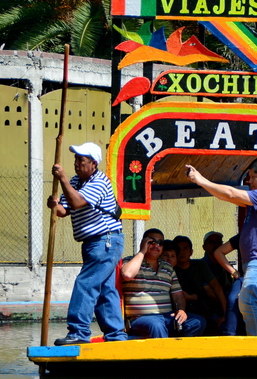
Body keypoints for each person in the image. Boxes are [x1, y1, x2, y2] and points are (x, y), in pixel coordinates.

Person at [187, 158, 257, 337]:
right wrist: (202, 183)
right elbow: (225, 195)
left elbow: (231, 193)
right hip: (256, 263)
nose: (250, 181)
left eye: (253, 177)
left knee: (246, 300)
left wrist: (201, 180)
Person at [46, 142, 127, 345]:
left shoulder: (99, 181)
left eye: (81, 159)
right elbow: (65, 210)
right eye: (75, 159)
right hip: (93, 243)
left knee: (86, 283)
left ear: (93, 163)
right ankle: (116, 335)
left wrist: (62, 178)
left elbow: (78, 203)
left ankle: (78, 332)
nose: (76, 163)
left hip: (106, 240)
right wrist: (54, 205)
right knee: (105, 290)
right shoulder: (75, 181)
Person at [120, 229, 205, 338]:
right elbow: (127, 274)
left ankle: (180, 351)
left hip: (167, 316)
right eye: (152, 241)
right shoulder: (130, 261)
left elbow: (178, 295)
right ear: (144, 242)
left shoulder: (168, 268)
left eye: (160, 243)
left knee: (197, 322)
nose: (156, 245)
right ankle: (166, 354)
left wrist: (182, 310)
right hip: (140, 318)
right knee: (156, 325)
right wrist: (142, 251)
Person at [172, 235, 227, 330]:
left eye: (185, 248)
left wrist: (226, 315)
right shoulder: (170, 269)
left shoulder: (200, 265)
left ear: (191, 252)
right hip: (179, 312)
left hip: (204, 309)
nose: (182, 252)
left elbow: (217, 288)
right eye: (178, 249)